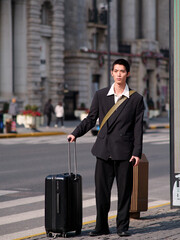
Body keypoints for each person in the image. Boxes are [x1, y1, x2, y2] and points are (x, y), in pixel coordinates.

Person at [67, 59, 145, 237]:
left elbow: (138, 128)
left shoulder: (136, 99)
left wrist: (137, 152)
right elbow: (90, 118)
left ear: (128, 74)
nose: (119, 74)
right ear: (111, 73)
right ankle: (101, 226)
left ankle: (122, 227)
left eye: (122, 71)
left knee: (124, 192)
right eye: (116, 71)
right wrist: (75, 133)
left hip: (125, 152)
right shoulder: (101, 95)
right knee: (101, 192)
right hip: (103, 151)